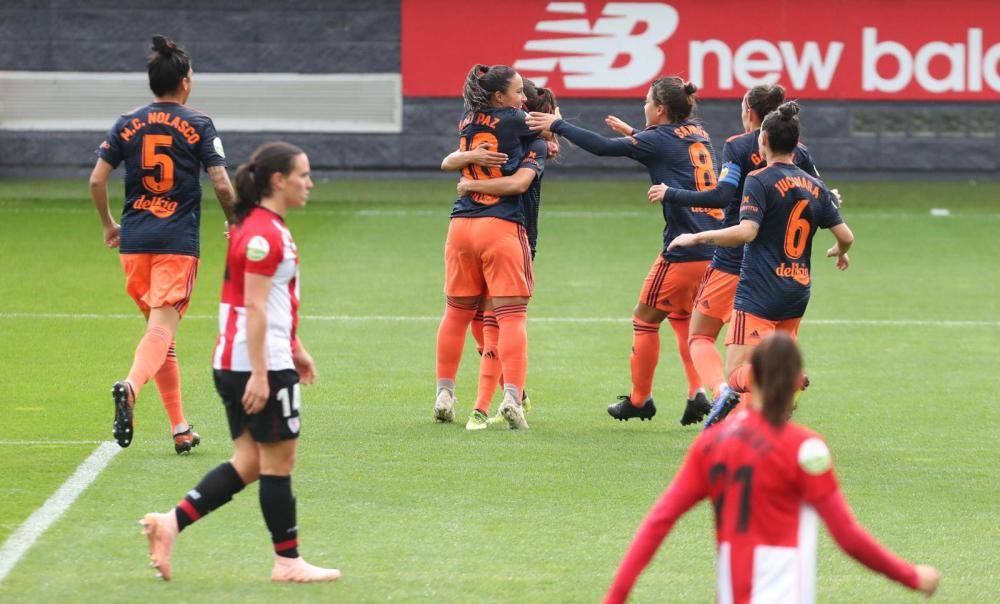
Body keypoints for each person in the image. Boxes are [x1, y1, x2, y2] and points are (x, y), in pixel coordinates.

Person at [604, 333, 941, 603]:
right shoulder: (806, 449)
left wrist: (615, 597)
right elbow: (848, 536)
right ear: (795, 383)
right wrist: (912, 576)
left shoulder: (711, 444)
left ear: (754, 379)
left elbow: (658, 521)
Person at [141, 142, 340, 583]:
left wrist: (297, 347)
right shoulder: (263, 235)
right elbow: (253, 308)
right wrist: (264, 373)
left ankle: (169, 524)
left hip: (243, 358)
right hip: (255, 362)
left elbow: (271, 301)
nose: (310, 183)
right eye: (303, 175)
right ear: (278, 181)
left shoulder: (256, 226)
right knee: (278, 463)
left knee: (249, 461)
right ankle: (287, 562)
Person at [527, 77, 723, 425]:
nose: (644, 106)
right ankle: (697, 394)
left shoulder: (658, 138)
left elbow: (602, 148)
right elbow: (671, 153)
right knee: (681, 320)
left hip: (682, 249)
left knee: (645, 319)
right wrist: (635, 133)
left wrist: (558, 124)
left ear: (661, 109)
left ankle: (640, 399)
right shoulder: (697, 133)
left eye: (648, 102)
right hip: (714, 247)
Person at [646, 84, 829, 428]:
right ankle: (755, 416)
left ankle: (721, 393)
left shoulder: (737, 146)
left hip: (735, 261)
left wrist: (673, 194)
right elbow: (825, 196)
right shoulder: (798, 151)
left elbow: (720, 196)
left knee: (699, 336)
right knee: (763, 350)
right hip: (784, 270)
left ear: (750, 113)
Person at [89, 34, 235, 453]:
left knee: (160, 335)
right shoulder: (199, 123)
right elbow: (222, 182)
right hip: (176, 242)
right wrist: (234, 221)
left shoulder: (126, 122)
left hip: (134, 242)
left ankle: (180, 428)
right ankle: (130, 387)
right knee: (160, 331)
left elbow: (97, 179)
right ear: (185, 82)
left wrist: (108, 225)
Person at [444, 78, 558, 430]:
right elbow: (518, 184)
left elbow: (449, 160)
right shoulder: (531, 140)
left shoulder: (477, 123)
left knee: (471, 317)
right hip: (509, 232)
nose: (521, 98)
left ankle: (457, 396)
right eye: (517, 92)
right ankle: (502, 399)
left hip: (464, 225)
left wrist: (466, 169)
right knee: (503, 320)